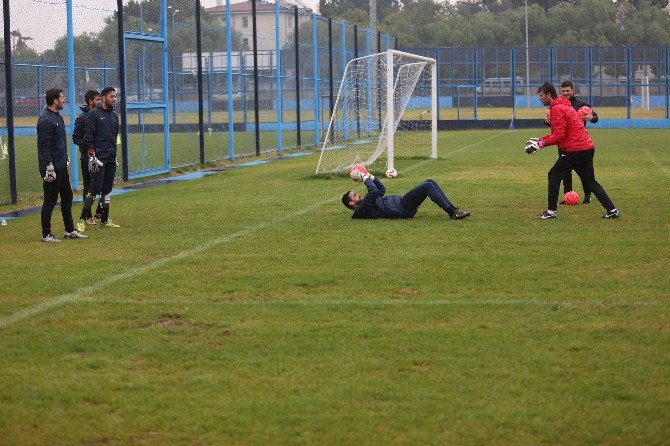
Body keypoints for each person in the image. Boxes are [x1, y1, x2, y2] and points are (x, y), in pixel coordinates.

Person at [525, 83, 619, 219]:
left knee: (553, 175)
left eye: (541, 96)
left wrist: (540, 144)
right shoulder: (563, 106)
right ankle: (612, 210)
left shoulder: (557, 109)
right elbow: (559, 133)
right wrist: (540, 139)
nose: (540, 99)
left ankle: (551, 212)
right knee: (590, 181)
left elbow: (558, 136)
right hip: (586, 148)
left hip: (575, 150)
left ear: (549, 95)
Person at [36, 88, 88, 242]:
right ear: (55, 100)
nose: (64, 100)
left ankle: (69, 230)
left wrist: (64, 157)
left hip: (61, 165)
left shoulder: (57, 117)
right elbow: (43, 145)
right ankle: (46, 234)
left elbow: (58, 142)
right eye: (62, 97)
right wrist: (48, 166)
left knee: (67, 196)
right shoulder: (46, 119)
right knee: (50, 200)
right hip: (51, 167)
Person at [544, 80, 599, 204]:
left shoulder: (581, 104)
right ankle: (567, 196)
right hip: (564, 143)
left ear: (573, 91)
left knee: (587, 172)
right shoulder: (557, 105)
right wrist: (547, 122)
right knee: (565, 172)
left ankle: (587, 195)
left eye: (567, 91)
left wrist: (591, 118)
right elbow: (557, 127)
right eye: (563, 91)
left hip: (580, 144)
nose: (565, 93)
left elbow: (595, 118)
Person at [342, 171, 471, 220]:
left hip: (402, 203)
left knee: (430, 182)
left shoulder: (366, 203)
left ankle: (454, 210)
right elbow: (374, 192)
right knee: (427, 186)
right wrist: (364, 178)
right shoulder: (361, 210)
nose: (358, 194)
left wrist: (370, 176)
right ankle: (452, 212)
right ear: (352, 203)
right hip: (402, 208)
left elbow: (380, 189)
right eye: (354, 195)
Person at [82, 86, 120, 228]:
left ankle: (104, 220)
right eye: (111, 96)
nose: (114, 99)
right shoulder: (94, 114)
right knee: (95, 187)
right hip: (98, 157)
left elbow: (114, 137)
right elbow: (88, 136)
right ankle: (82, 219)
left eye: (115, 96)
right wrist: (92, 154)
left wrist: (114, 156)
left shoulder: (115, 116)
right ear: (104, 98)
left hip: (110, 157)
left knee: (107, 189)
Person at [73, 90, 102, 232]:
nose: (100, 102)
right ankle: (87, 215)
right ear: (90, 101)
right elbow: (75, 138)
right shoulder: (82, 118)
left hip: (102, 156)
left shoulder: (101, 116)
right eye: (98, 99)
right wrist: (88, 146)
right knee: (89, 185)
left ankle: (100, 211)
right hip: (87, 158)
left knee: (103, 184)